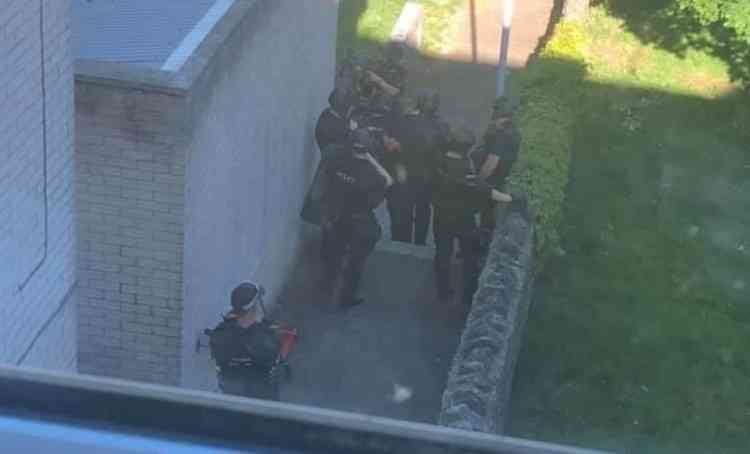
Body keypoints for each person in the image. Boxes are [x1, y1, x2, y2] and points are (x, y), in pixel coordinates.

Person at [433, 126, 512, 304]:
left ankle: (443, 292)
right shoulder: (463, 169)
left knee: (442, 254)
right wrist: (508, 198)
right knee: (469, 256)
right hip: (463, 219)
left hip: (440, 216)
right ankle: (468, 293)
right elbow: (484, 189)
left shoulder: (438, 162)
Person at [320, 128, 394, 308]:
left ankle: (326, 287)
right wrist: (370, 158)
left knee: (334, 254)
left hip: (338, 216)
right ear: (368, 148)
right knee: (356, 261)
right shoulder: (372, 174)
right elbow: (388, 181)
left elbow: (327, 183)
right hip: (360, 221)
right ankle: (346, 298)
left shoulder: (337, 163)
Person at [208, 282, 282, 400]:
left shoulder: (220, 334)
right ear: (253, 307)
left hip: (227, 403)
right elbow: (274, 360)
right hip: (259, 407)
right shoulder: (263, 339)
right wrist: (268, 331)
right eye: (257, 303)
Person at [394, 90, 450, 245]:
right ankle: (413, 242)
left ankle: (409, 242)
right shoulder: (437, 124)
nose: (432, 104)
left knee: (415, 209)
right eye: (430, 101)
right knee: (417, 210)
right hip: (421, 174)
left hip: (418, 174)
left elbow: (397, 146)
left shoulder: (409, 120)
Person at [471, 106, 521, 237]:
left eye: (495, 120)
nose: (493, 123)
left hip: (494, 181)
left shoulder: (501, 136)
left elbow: (492, 162)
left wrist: (479, 179)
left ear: (502, 119)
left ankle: (482, 247)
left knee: (487, 217)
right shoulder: (514, 133)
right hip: (505, 179)